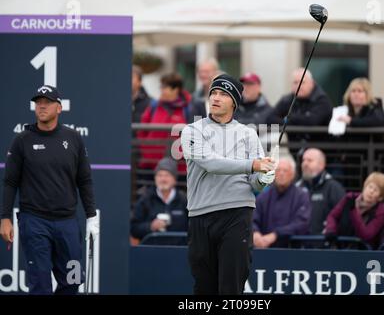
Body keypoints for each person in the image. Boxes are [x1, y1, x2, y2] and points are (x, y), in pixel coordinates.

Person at [181, 73, 277, 295]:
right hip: (200, 216)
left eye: (223, 94)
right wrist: (253, 165)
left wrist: (263, 179)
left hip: (237, 214)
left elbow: (254, 180)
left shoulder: (249, 134)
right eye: (213, 92)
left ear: (234, 101)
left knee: (231, 288)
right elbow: (211, 163)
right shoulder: (191, 131)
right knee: (204, 288)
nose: (215, 97)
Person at [0, 85, 99, 295]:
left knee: (72, 282)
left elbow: (84, 179)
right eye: (38, 103)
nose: (41, 106)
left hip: (68, 222)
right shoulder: (22, 140)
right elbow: (10, 182)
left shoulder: (73, 138)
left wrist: (91, 216)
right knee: (40, 286)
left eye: (47, 102)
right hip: (34, 221)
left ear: (59, 108)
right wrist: (5, 217)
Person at [268, 68, 333, 157]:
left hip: (322, 155)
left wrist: (288, 118)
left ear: (312, 83)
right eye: (295, 82)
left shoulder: (322, 100)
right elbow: (270, 119)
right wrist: (289, 121)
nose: (298, 85)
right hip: (295, 153)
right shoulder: (287, 100)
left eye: (302, 82)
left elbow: (312, 121)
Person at [253, 158, 311, 248]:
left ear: (292, 174)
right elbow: (253, 219)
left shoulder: (301, 196)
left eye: (285, 170)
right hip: (265, 250)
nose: (281, 173)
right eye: (278, 170)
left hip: (292, 250)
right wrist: (255, 233)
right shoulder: (263, 196)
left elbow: (301, 224)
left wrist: (276, 234)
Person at [324, 172, 384, 249]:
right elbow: (333, 216)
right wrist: (331, 229)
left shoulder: (381, 211)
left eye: (376, 190)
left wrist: (354, 211)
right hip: (341, 247)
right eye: (370, 187)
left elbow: (366, 235)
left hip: (363, 252)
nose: (371, 191)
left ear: (380, 197)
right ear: (365, 187)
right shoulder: (349, 198)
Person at [130, 157, 188, 241]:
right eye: (160, 175)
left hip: (179, 251)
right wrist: (151, 226)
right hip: (152, 251)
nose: (163, 179)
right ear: (155, 178)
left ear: (175, 179)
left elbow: (194, 229)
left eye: (167, 175)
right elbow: (133, 228)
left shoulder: (184, 200)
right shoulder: (146, 199)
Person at [295, 148, 346, 235]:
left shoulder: (334, 188)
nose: (305, 164)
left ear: (321, 165)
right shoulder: (296, 188)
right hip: (298, 245)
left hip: (324, 246)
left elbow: (344, 218)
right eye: (303, 160)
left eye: (309, 160)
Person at [189, 58, 220, 122]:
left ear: (216, 73)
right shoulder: (195, 96)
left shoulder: (225, 96)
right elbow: (195, 121)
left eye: (206, 72)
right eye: (201, 71)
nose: (203, 75)